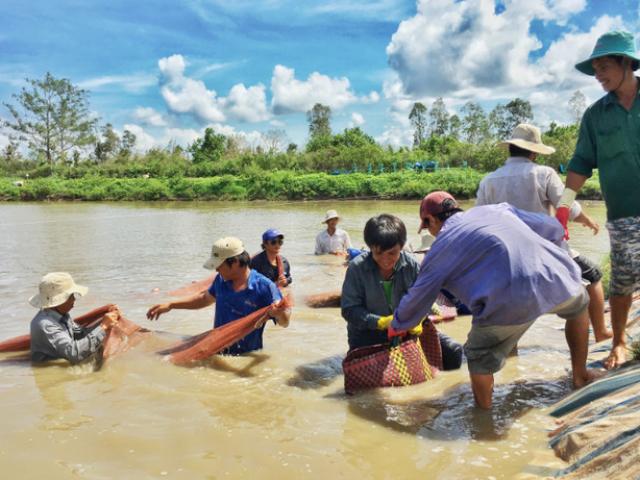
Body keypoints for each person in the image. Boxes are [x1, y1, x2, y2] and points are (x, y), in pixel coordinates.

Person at [392, 192, 598, 409]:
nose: (431, 233)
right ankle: (580, 376)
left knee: (478, 356)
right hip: (558, 280)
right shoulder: (498, 209)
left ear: (430, 220)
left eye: (428, 228)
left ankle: (484, 421)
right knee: (579, 305)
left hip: (507, 303)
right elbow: (553, 227)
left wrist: (397, 324)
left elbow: (418, 298)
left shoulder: (439, 249)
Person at [476, 123, 611, 342]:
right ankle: (601, 332)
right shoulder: (543, 174)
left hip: (507, 259)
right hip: (546, 253)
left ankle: (512, 361)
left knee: (509, 319)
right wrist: (587, 220)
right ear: (533, 152)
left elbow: (480, 221)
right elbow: (566, 206)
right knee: (594, 275)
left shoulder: (488, 181)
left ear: (511, 149)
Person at [556, 31, 640, 369]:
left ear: (626, 63)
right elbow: (580, 164)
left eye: (605, 66)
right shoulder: (595, 115)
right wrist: (562, 210)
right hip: (624, 214)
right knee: (623, 277)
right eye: (595, 70)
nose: (599, 75)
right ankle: (618, 342)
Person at [341, 214, 462, 370]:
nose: (385, 260)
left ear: (402, 246)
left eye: (392, 253)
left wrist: (418, 320)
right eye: (378, 253)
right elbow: (349, 310)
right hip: (368, 335)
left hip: (406, 332)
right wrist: (380, 322)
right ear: (370, 248)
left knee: (454, 352)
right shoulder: (356, 269)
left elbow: (423, 300)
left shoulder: (412, 265)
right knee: (368, 374)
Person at [147, 237, 290, 355]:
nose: (216, 269)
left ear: (234, 263)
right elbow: (204, 299)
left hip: (245, 355)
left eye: (219, 265)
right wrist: (171, 305)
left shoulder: (265, 287)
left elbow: (285, 322)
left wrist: (279, 313)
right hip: (216, 351)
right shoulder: (221, 280)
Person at [29, 272, 119, 364]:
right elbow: (74, 353)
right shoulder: (46, 324)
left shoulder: (62, 314)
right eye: (71, 296)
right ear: (59, 301)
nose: (74, 299)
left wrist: (104, 323)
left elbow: (80, 333)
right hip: (48, 370)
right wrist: (103, 326)